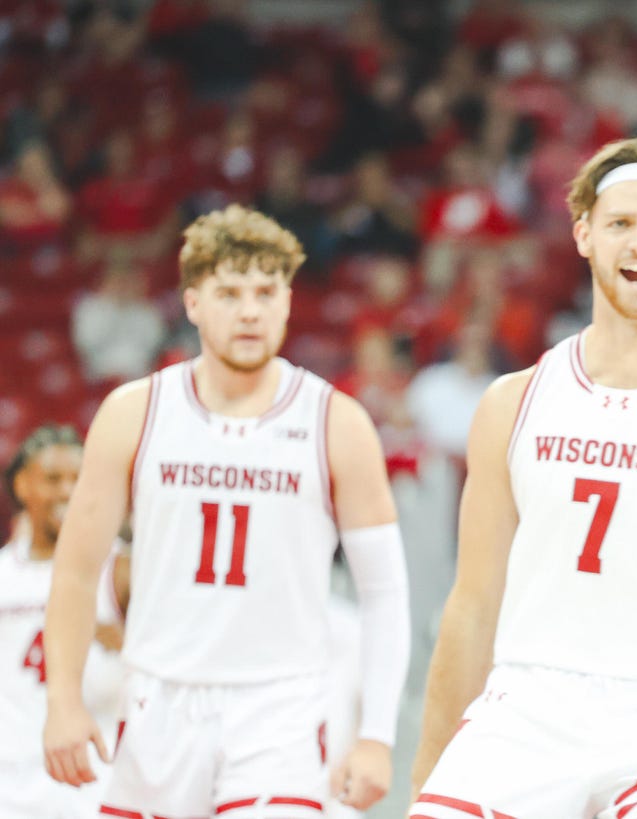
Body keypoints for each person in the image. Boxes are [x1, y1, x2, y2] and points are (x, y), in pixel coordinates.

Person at [42, 205, 411, 816]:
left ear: (289, 302)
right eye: (230, 292)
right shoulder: (135, 412)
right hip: (157, 702)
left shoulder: (335, 422)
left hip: (280, 710)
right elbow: (78, 570)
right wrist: (64, 702)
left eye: (267, 292)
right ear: (192, 303)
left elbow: (386, 591)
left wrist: (376, 735)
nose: (250, 310)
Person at [408, 137, 637, 819]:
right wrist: (428, 779)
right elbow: (472, 606)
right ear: (583, 234)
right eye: (620, 224)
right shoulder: (512, 402)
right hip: (530, 703)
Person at [1, 424, 128, 819]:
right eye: (53, 479)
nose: (67, 492)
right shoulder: (4, 572)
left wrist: (128, 642)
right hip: (11, 776)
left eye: (78, 478)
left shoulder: (120, 568)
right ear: (22, 485)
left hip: (95, 774)